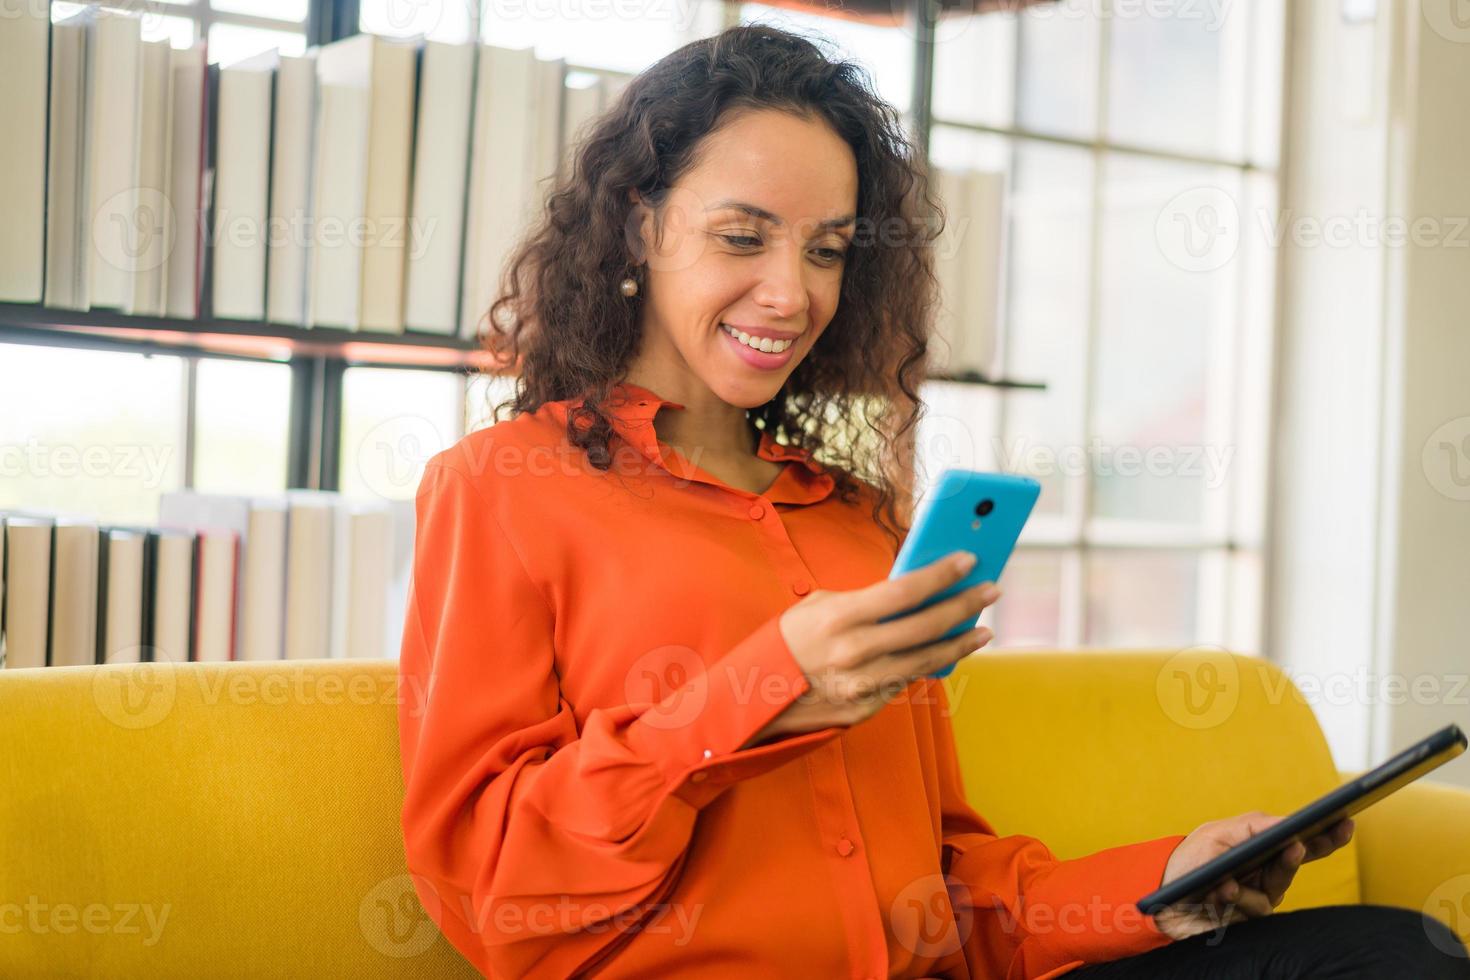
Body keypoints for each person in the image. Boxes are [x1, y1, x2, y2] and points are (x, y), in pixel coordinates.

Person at [396, 23, 1470, 979]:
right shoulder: (501, 489)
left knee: (1386, 948)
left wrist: (1162, 883)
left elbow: (950, 895)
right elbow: (493, 887)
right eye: (742, 236)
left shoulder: (856, 520)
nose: (793, 292)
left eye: (827, 249)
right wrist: (763, 688)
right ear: (639, 225)